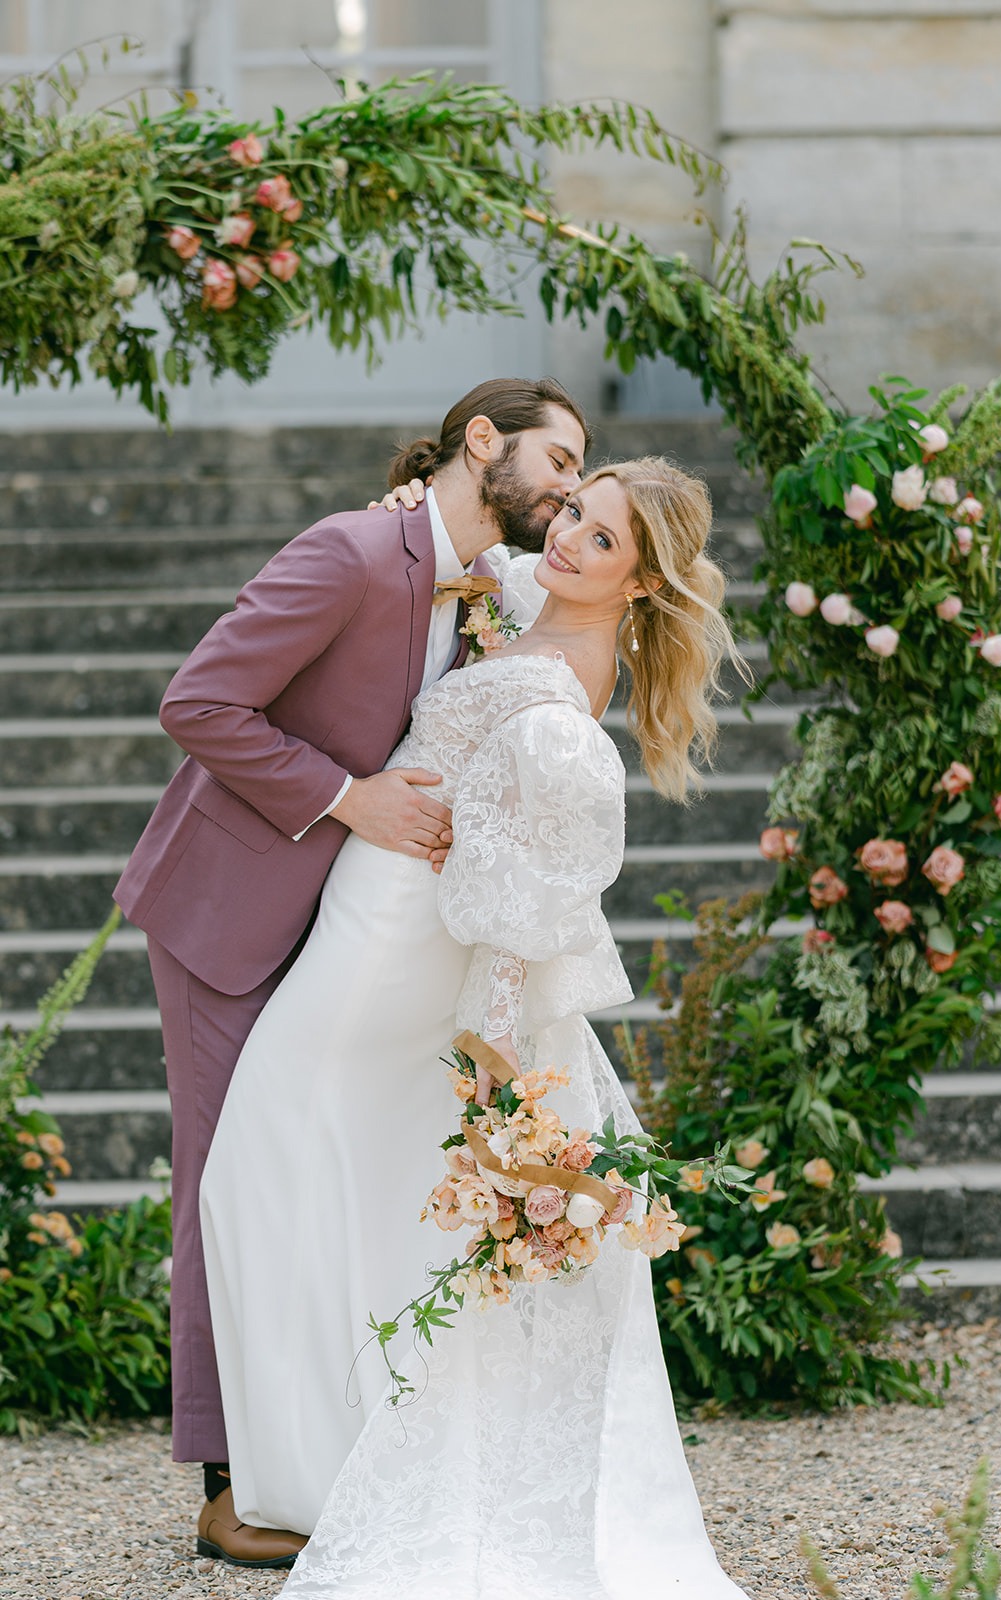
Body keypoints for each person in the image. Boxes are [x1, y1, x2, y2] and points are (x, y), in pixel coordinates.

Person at [199, 458, 750, 1598]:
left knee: (253, 1158)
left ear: (640, 587)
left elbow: (523, 917)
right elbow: (467, 535)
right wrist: (410, 497)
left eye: (601, 543)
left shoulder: (560, 710)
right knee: (317, 1172)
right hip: (366, 904)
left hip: (394, 948)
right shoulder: (527, 597)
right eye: (577, 512)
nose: (569, 542)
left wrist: (497, 1068)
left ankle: (318, 1474)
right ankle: (319, 1468)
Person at [112, 377, 590, 1567]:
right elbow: (200, 699)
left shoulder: (474, 581)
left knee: (301, 1173)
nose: (572, 487)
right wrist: (349, 798)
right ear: (484, 442)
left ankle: (315, 1439)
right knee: (228, 1180)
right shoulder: (349, 552)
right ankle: (231, 1486)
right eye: (562, 460)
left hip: (334, 930)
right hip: (227, 915)